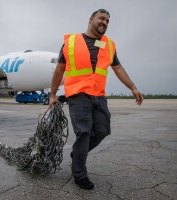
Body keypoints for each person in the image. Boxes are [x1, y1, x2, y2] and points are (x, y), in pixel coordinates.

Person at [49, 9, 144, 190]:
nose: (105, 23)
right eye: (102, 18)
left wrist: (132, 87)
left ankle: (78, 153)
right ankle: (80, 174)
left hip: (99, 96)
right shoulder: (71, 42)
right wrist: (53, 95)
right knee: (84, 132)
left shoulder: (109, 45)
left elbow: (118, 68)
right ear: (91, 19)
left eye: (108, 21)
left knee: (102, 130)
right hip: (78, 95)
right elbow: (59, 70)